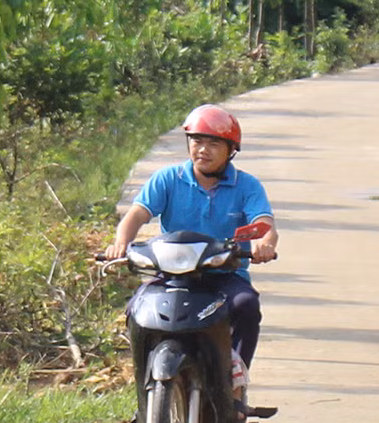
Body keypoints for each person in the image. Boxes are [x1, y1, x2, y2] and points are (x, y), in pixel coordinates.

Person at [100, 103, 278, 400]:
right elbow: (136, 215)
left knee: (246, 305)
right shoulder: (168, 179)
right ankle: (145, 385)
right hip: (172, 275)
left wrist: (264, 244)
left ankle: (235, 378)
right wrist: (121, 243)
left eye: (214, 144)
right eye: (197, 141)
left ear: (230, 150)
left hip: (223, 275)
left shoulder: (247, 186)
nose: (203, 150)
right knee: (136, 310)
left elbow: (264, 223)